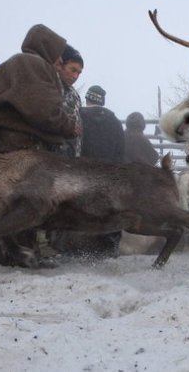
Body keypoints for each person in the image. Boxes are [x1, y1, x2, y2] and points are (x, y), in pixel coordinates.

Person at [0, 23, 80, 267]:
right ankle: (22, 255)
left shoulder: (15, 63)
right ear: (48, 47)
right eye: (58, 52)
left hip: (6, 142)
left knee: (11, 202)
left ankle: (12, 252)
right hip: (21, 144)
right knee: (26, 202)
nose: (59, 59)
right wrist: (69, 126)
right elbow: (44, 110)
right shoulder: (34, 65)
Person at [54, 85, 124, 258]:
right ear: (102, 101)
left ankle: (69, 248)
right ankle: (109, 248)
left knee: (76, 209)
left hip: (81, 173)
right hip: (108, 175)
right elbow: (121, 151)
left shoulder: (79, 117)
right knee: (108, 210)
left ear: (87, 99)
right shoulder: (115, 123)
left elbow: (69, 144)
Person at [57, 45, 84, 158]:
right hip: (50, 158)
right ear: (60, 65)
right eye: (72, 70)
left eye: (79, 73)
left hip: (71, 159)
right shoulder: (49, 87)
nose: (75, 76)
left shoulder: (75, 96)